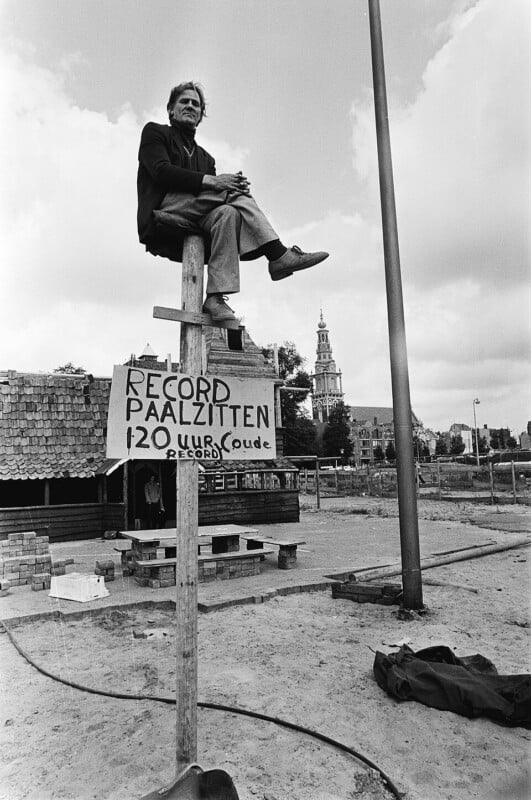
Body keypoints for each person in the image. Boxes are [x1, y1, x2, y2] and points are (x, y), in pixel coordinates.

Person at [137, 81, 329, 322]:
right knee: (232, 192)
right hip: (163, 209)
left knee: (229, 212)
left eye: (196, 104)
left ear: (200, 116)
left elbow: (213, 200)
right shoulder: (155, 132)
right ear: (171, 109)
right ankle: (278, 254)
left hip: (194, 216)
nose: (190, 106)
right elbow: (160, 171)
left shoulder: (206, 158)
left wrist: (225, 186)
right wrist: (216, 183)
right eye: (184, 102)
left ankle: (216, 297)